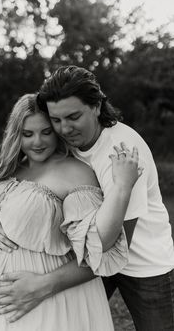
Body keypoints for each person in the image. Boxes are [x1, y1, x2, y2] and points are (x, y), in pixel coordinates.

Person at [0, 93, 140, 331]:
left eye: (46, 132)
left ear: (56, 130)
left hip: (43, 301)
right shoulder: (9, 169)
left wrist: (41, 286)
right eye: (27, 134)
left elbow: (96, 247)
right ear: (15, 135)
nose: (37, 142)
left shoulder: (75, 172)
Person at [36, 65, 174, 331]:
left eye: (73, 116)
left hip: (144, 263)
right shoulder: (70, 144)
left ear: (97, 106)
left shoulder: (122, 152)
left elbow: (115, 241)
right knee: (73, 323)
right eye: (56, 120)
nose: (64, 128)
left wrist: (48, 282)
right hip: (97, 256)